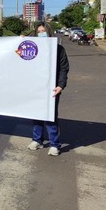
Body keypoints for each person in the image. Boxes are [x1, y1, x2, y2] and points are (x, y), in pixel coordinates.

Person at [27, 22, 69, 156]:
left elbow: (64, 69)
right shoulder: (32, 49)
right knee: (36, 114)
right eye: (38, 32)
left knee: (50, 116)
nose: (41, 34)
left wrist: (60, 86)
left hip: (52, 88)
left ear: (49, 32)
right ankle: (37, 140)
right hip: (36, 87)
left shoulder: (59, 50)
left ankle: (54, 144)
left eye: (43, 31)